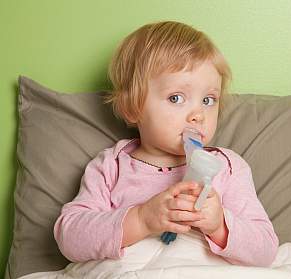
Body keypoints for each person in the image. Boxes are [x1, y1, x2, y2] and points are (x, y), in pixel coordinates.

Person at [54, 20, 279, 267]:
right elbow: (70, 237)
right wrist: (141, 220)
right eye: (176, 97)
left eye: (208, 100)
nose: (198, 115)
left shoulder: (227, 167)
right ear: (132, 108)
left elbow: (266, 250)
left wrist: (219, 225)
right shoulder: (112, 166)